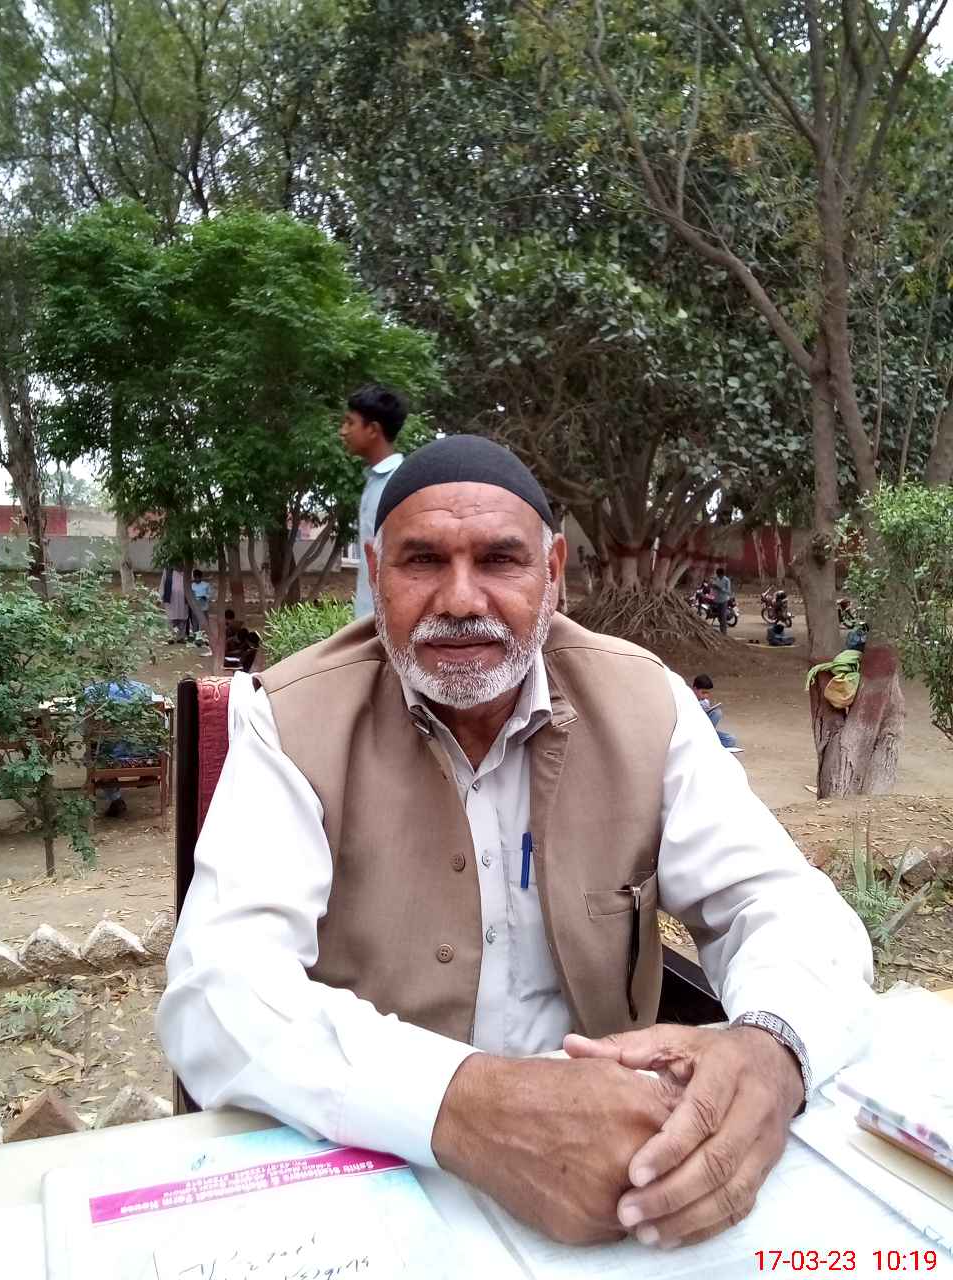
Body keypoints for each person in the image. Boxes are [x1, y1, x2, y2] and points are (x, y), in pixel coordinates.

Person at [158, 435, 874, 1251]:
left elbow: (777, 903)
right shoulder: (289, 720)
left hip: (615, 1176)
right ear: (376, 572)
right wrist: (467, 1104)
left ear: (553, 571)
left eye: (501, 560)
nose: (461, 599)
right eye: (422, 561)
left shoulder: (645, 703)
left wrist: (772, 1048)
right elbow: (218, 988)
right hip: (373, 1170)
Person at [339, 384, 408, 619]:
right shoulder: (375, 480)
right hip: (370, 619)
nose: (343, 431)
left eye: (350, 423)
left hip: (387, 621)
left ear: (372, 430)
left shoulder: (398, 483)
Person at [83, 678, 160, 817]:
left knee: (96, 754)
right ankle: (149, 771)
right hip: (143, 756)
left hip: (108, 757)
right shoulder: (143, 689)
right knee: (151, 735)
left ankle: (115, 798)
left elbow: (85, 731)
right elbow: (161, 723)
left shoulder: (90, 693)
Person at [691, 673, 737, 749]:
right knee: (717, 713)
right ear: (695, 689)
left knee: (731, 739)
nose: (706, 696)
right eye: (703, 692)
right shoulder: (687, 699)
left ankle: (704, 741)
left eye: (707, 693)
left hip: (704, 731)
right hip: (692, 731)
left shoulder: (705, 702)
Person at [159, 566, 188, 642]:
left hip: (183, 599)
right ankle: (170, 636)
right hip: (171, 598)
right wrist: (161, 596)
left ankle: (181, 637)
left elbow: (191, 583)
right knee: (171, 618)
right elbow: (163, 583)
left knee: (182, 618)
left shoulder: (187, 569)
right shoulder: (167, 570)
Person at [710, 564, 732, 636]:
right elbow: (713, 587)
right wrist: (712, 586)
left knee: (723, 616)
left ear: (722, 574)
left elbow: (728, 591)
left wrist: (720, 588)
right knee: (719, 616)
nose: (719, 576)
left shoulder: (726, 580)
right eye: (718, 575)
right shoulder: (716, 579)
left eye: (720, 575)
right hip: (716, 600)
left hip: (723, 600)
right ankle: (721, 631)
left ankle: (724, 633)